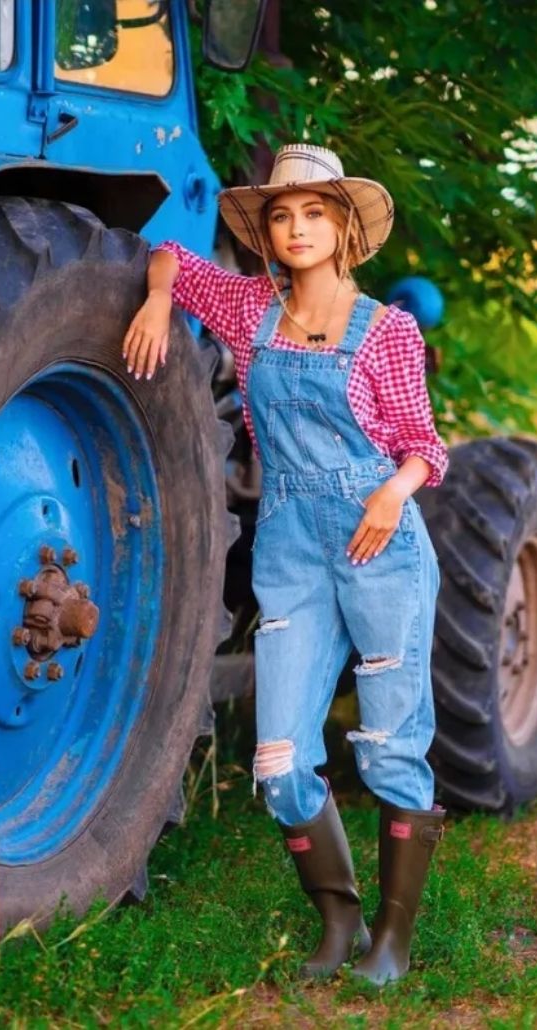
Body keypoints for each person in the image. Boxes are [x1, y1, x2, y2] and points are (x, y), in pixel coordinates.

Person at [122, 143, 448, 985]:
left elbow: (425, 449)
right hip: (293, 550)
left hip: (379, 545)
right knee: (279, 761)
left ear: (342, 228)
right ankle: (337, 921)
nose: (297, 228)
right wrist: (159, 300)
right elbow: (169, 254)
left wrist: (391, 494)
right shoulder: (246, 308)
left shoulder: (388, 331)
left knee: (387, 748)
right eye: (281, 215)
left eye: (314, 213)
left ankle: (393, 942)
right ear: (266, 233)